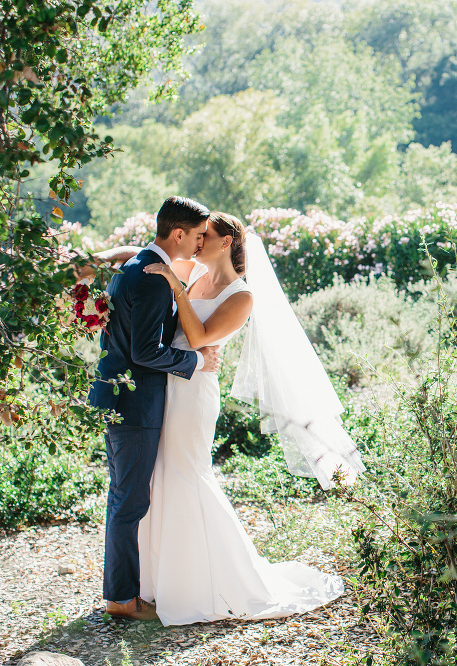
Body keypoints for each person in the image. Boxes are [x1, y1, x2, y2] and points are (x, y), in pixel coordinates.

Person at [134, 212, 365, 625]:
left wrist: (175, 288)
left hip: (194, 392)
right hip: (168, 384)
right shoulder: (194, 273)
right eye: (198, 235)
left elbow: (202, 338)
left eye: (207, 236)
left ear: (226, 243)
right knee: (162, 475)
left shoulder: (241, 296)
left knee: (188, 473)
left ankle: (215, 581)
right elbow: (150, 257)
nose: (198, 241)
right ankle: (160, 581)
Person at [88, 196, 221, 621]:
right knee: (128, 502)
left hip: (118, 397)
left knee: (123, 498)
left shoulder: (137, 266)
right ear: (178, 234)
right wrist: (197, 361)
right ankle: (122, 599)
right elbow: (146, 353)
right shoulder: (149, 277)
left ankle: (123, 592)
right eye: (199, 236)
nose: (201, 244)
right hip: (134, 405)